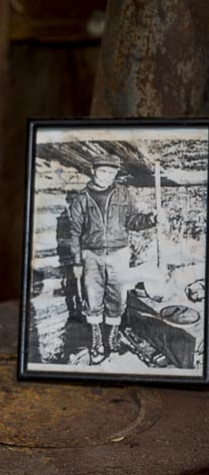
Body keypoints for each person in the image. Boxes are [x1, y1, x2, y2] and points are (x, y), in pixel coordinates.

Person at [68, 154, 156, 364]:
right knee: (93, 297)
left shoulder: (123, 194)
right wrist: (78, 261)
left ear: (116, 174)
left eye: (112, 172)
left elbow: (133, 221)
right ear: (93, 170)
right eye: (103, 171)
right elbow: (75, 233)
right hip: (91, 255)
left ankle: (112, 335)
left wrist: (151, 219)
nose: (107, 176)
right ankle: (97, 339)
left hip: (119, 253)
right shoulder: (82, 198)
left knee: (118, 297)